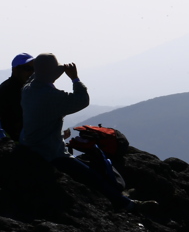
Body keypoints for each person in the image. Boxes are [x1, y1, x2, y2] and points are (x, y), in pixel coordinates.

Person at [20, 53, 132, 210]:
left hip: (28, 144)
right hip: (50, 152)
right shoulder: (51, 96)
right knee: (92, 178)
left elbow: (36, 78)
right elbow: (82, 100)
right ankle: (124, 203)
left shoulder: (27, 90)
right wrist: (75, 79)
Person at [0, 53, 35, 140]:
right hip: (9, 141)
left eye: (34, 69)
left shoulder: (15, 87)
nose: (32, 72)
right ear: (15, 70)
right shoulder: (12, 90)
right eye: (27, 69)